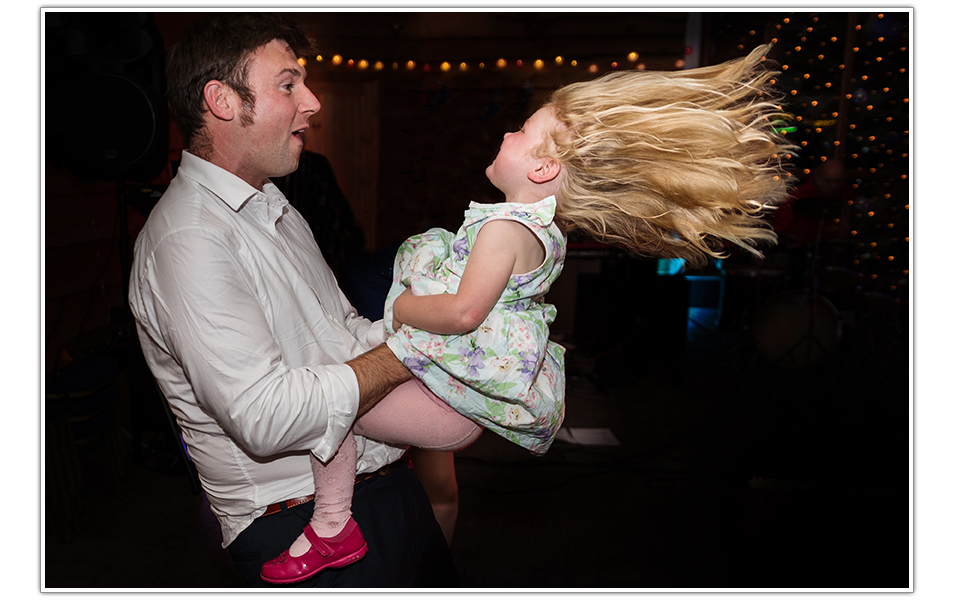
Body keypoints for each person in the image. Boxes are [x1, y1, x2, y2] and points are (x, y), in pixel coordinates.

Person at [260, 42, 797, 584]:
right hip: (454, 399)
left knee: (327, 404)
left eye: (520, 131)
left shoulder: (505, 228)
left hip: (444, 402)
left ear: (543, 166)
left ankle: (332, 528)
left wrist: (403, 305)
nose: (506, 134)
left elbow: (465, 313)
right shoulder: (543, 230)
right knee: (351, 404)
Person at [127, 13, 458, 587]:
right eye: (288, 84)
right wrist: (411, 353)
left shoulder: (274, 207)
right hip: (299, 526)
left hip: (384, 491)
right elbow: (265, 416)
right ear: (222, 100)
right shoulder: (189, 239)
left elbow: (343, 333)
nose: (312, 103)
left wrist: (452, 328)